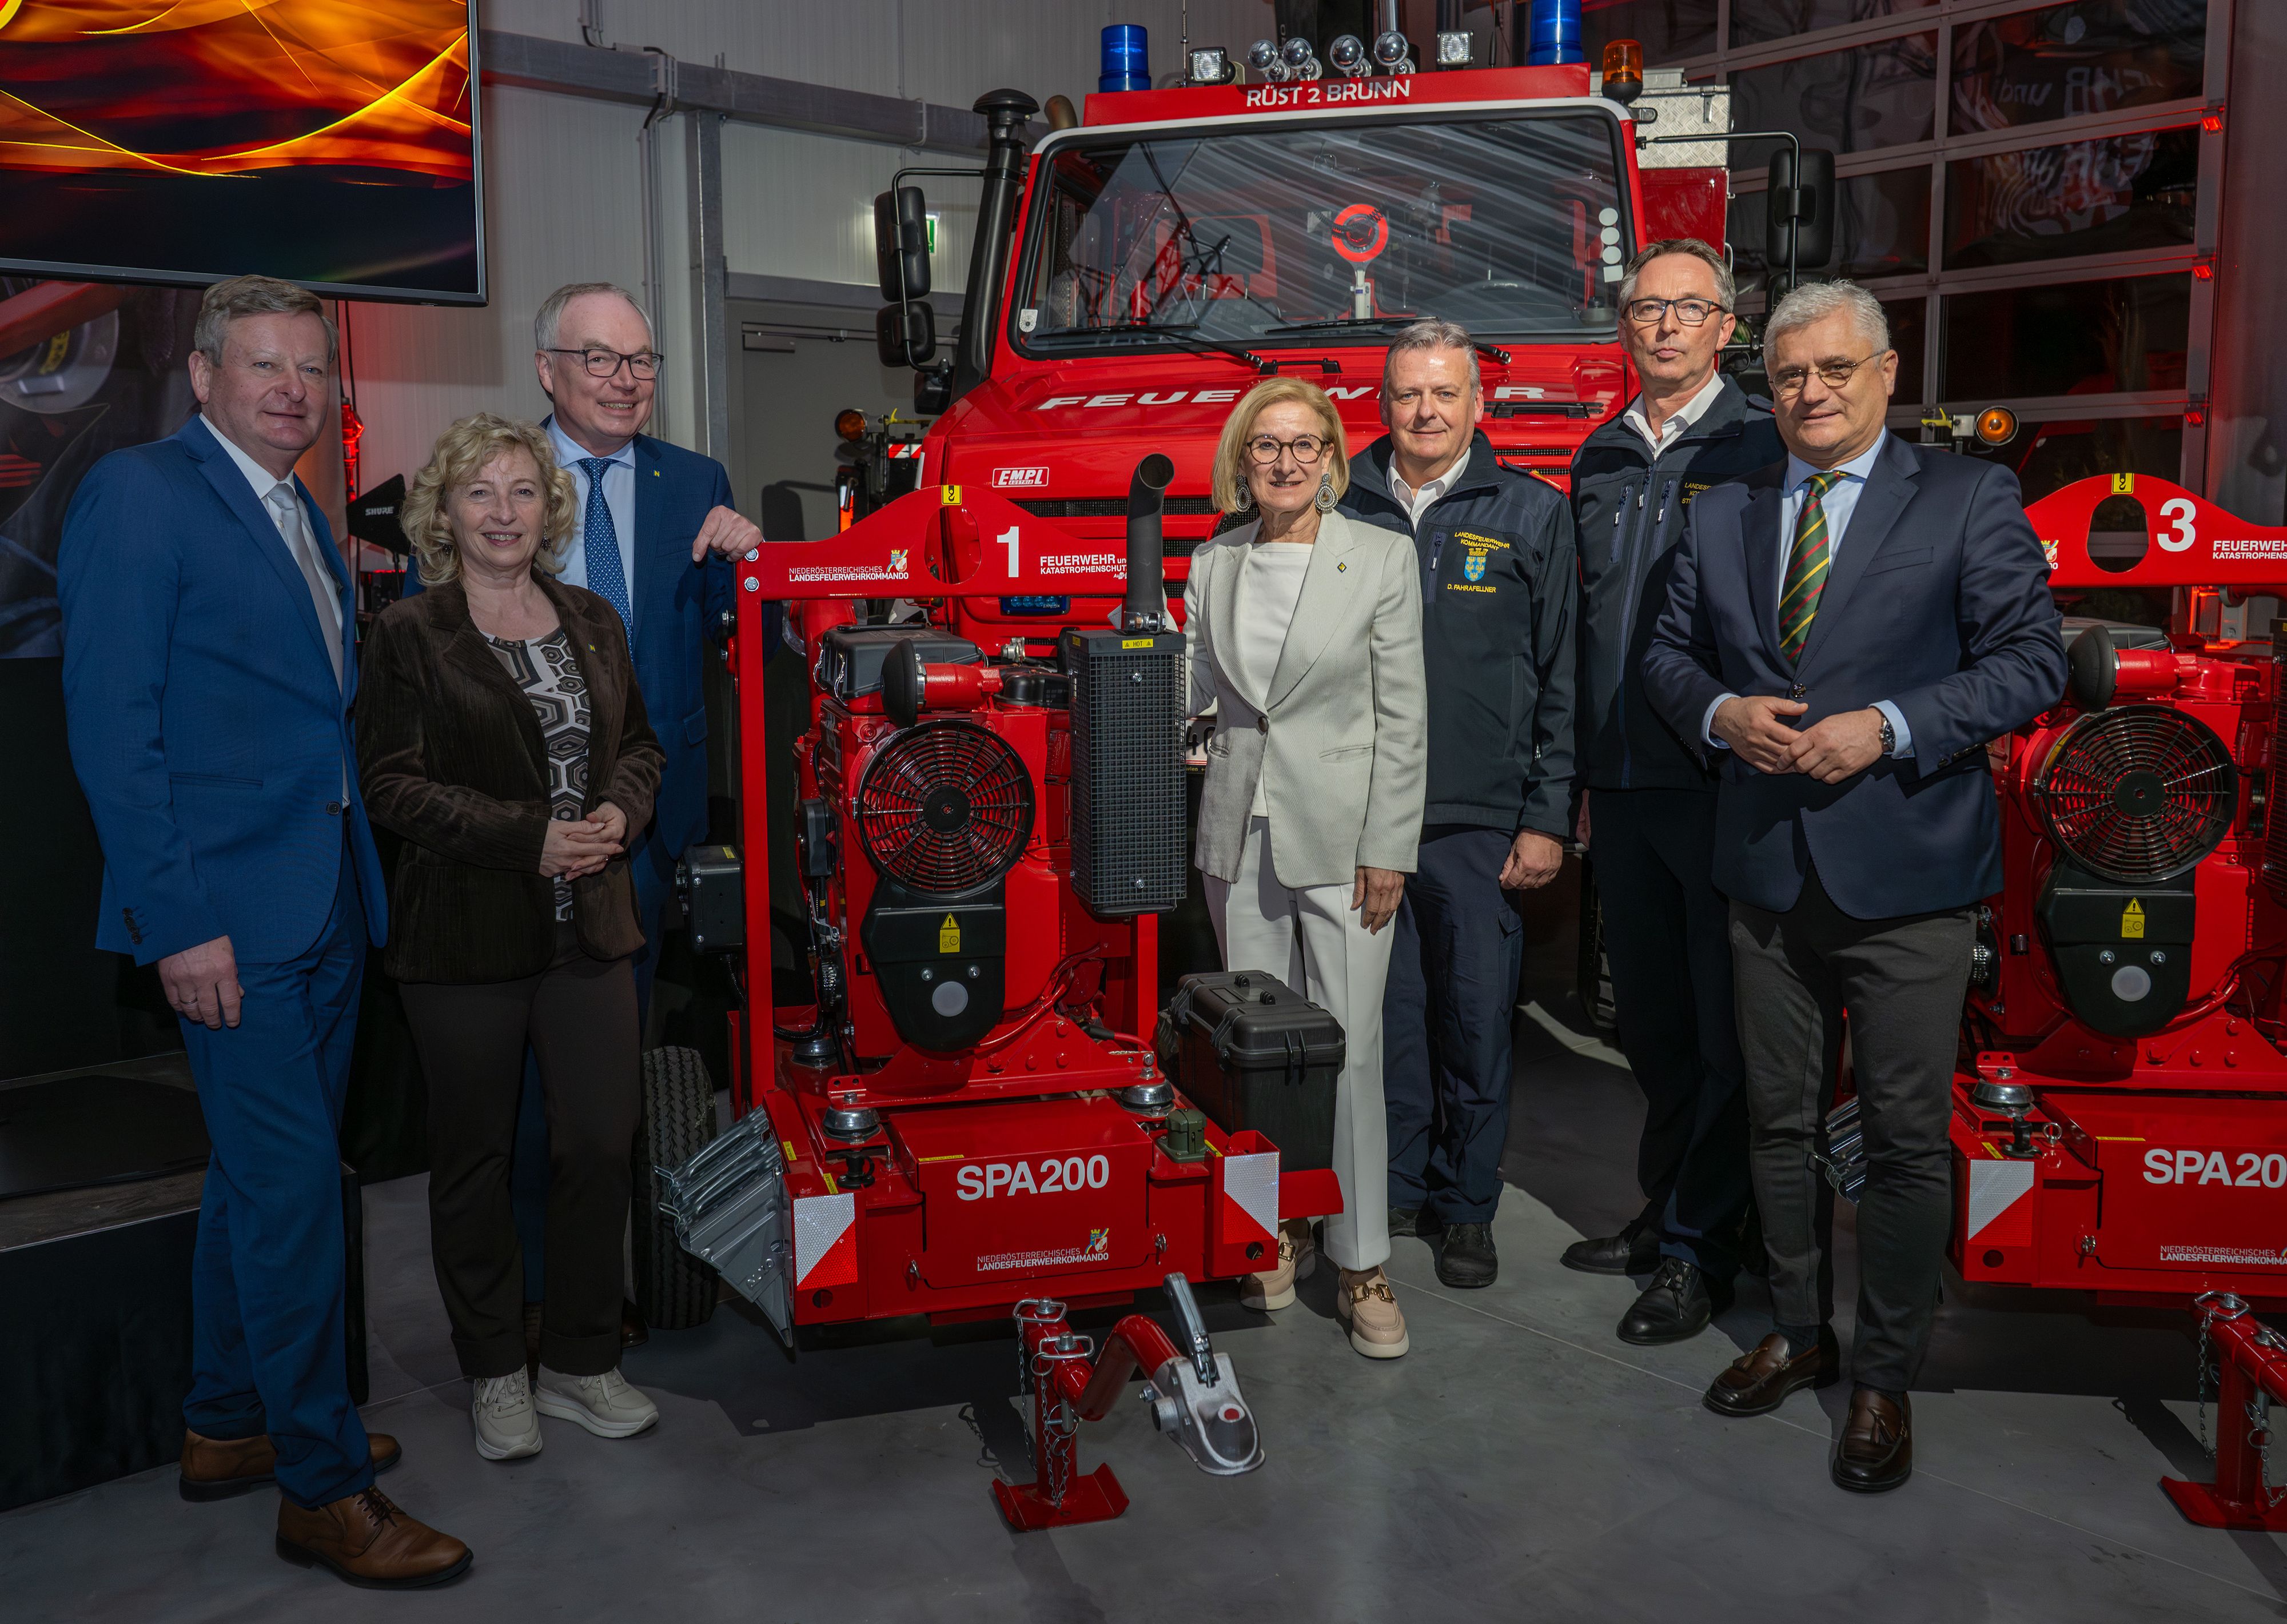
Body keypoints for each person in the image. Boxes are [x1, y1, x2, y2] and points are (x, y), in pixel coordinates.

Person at [58, 274, 468, 1586]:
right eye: (263, 364)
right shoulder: (142, 494)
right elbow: (115, 732)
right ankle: (322, 1487)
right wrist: (178, 921)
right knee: (295, 1199)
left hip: (328, 897)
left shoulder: (299, 506)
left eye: (309, 366)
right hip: (225, 919)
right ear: (203, 375)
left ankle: (227, 1420)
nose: (291, 386)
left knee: (254, 1184)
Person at [1642, 280, 2066, 1493]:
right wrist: (1720, 711)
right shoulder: (1721, 511)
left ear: (1885, 373)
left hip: (1907, 875)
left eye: (1833, 369)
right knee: (1773, 1118)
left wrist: (1887, 724)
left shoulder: (1966, 496)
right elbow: (1666, 659)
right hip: (1767, 870)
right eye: (1786, 375)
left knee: (1897, 1135)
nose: (1810, 393)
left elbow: (2028, 661)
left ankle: (1882, 1372)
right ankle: (1797, 1323)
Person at [408, 282, 766, 1343]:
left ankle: (591, 1291)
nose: (627, 380)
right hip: (510, 836)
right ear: (547, 370)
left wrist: (751, 567)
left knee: (605, 1092)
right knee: (515, 1090)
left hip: (645, 830)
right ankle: (526, 1294)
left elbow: (725, 637)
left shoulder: (694, 479)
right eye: (601, 359)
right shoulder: (502, 484)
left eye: (643, 361)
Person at [360, 413, 668, 1463]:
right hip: (464, 943)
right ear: (443, 512)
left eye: (523, 491)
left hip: (592, 932)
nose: (504, 512)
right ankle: (496, 1370)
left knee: (596, 1142)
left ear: (551, 506)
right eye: (480, 492)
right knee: (475, 1162)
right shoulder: (410, 631)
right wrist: (529, 838)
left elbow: (641, 745)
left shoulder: (591, 617)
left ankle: (582, 1361)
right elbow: (392, 785)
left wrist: (621, 816)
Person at [1564, 240, 1782, 1345]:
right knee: (1647, 1023)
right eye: (1646, 309)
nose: (1663, 327)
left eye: (1686, 309)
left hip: (1718, 783)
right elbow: (1578, 628)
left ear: (1725, 326)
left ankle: (1704, 1249)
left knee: (1719, 1027)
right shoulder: (1598, 453)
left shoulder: (1760, 446)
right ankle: (1667, 1212)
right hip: (1624, 781)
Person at [1184, 377, 1427, 1358]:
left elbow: (1404, 715)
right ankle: (1270, 1229)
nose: (1285, 461)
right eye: (1266, 445)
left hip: (1346, 841)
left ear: (1331, 457)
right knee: (1252, 1050)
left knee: (1352, 1052)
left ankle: (1361, 1259)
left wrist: (1388, 847)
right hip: (1239, 834)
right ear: (1242, 461)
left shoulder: (1381, 557)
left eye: (1305, 444)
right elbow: (1194, 689)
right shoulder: (1211, 561)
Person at [1339, 319, 1577, 1291]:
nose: (1426, 411)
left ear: (1479, 405)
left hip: (1482, 817)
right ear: (1383, 403)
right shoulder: (1339, 499)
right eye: (1408, 394)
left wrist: (1548, 811)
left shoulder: (1530, 512)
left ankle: (1467, 1201)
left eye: (1445, 393)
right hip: (1362, 815)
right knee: (1385, 1016)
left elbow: (1564, 672)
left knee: (1474, 1013)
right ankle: (1396, 1181)